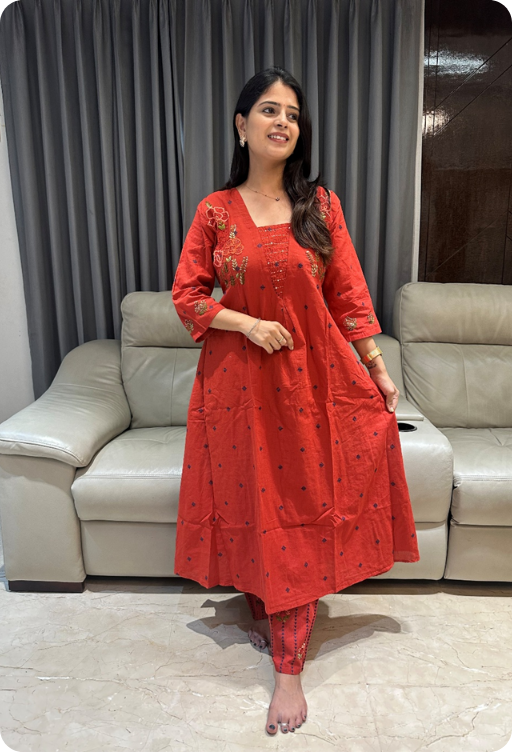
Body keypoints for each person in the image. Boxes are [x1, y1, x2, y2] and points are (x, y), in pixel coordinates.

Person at [171, 66, 420, 736]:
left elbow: (349, 295)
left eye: (293, 113)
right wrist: (247, 324)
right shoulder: (215, 211)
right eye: (269, 110)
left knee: (299, 511)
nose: (283, 121)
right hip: (237, 387)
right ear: (241, 124)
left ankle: (288, 669)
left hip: (311, 385)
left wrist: (377, 369)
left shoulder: (320, 207)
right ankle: (266, 609)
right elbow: (187, 297)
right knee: (255, 503)